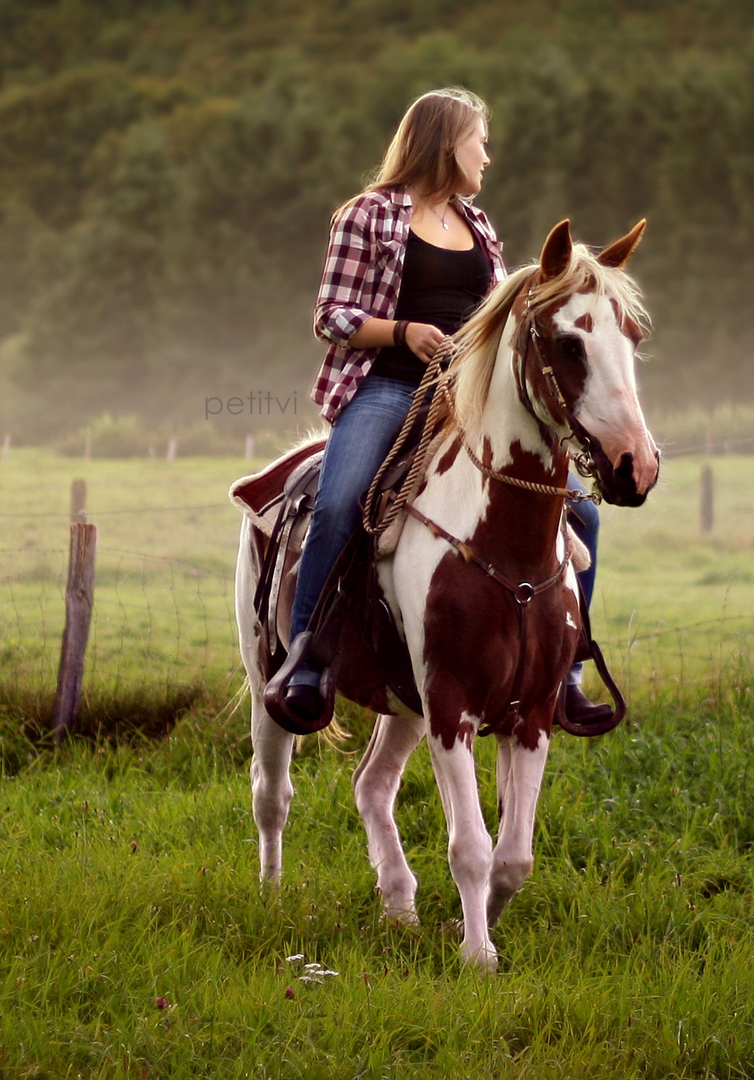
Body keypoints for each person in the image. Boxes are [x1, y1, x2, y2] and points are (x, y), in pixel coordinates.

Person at [270, 87, 607, 729]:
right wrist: (403, 332)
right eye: (481, 141)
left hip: (472, 398)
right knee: (341, 502)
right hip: (390, 386)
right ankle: (306, 658)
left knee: (582, 513)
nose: (488, 156)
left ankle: (566, 670)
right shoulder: (367, 215)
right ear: (447, 142)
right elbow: (331, 317)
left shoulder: (478, 226)